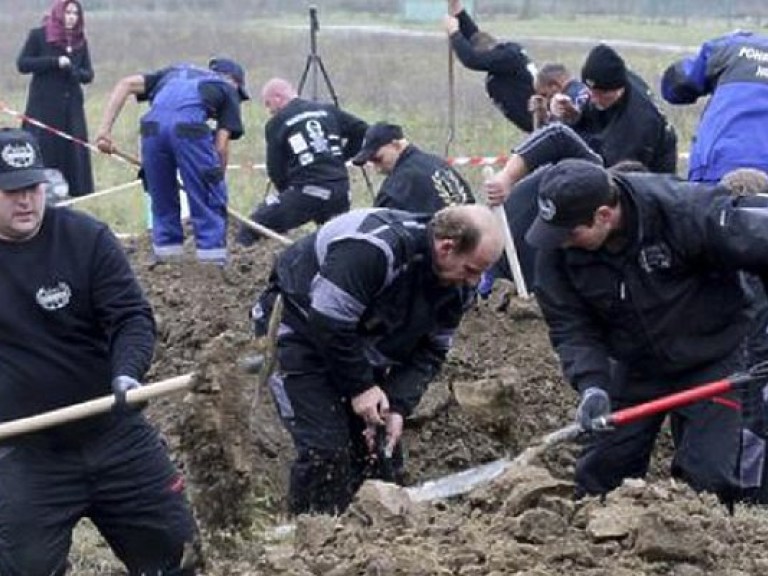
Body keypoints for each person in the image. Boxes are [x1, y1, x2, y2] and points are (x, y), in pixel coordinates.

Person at [0, 128, 199, 575]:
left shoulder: (84, 238)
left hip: (115, 435)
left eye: (33, 187)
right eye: (11, 191)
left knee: (180, 557)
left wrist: (128, 372)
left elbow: (130, 317)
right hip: (26, 453)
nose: (27, 201)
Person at [526, 157, 768, 505]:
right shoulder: (557, 247)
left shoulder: (682, 210)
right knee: (601, 476)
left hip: (712, 357)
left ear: (604, 216)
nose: (562, 242)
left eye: (571, 233)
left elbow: (760, 243)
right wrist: (592, 384)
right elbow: (570, 325)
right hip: (634, 363)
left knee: (707, 480)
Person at [252, 204, 504, 514]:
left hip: (357, 339)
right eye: (471, 269)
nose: (473, 282)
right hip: (300, 325)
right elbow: (328, 321)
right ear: (447, 247)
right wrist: (361, 388)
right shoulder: (375, 248)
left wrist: (398, 405)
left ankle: (371, 540)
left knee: (380, 452)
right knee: (326, 452)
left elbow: (430, 352)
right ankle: (307, 537)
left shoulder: (459, 289)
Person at [95, 57, 248, 266]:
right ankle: (213, 269)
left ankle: (167, 263)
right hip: (189, 130)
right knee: (208, 201)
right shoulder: (227, 89)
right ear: (235, 82)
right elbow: (221, 146)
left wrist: (104, 132)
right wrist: (214, 180)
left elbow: (126, 84)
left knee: (162, 197)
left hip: (151, 129)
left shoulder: (173, 73)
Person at [236, 78, 368, 247]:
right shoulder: (327, 110)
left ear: (278, 97)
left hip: (308, 191)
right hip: (341, 192)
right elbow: (362, 131)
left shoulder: (277, 122)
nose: (269, 111)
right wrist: (342, 158)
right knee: (333, 242)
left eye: (268, 104)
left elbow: (275, 170)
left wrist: (287, 194)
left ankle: (240, 269)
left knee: (252, 227)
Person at [661, 31, 768, 182]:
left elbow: (678, 84)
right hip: (727, 160)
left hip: (721, 161)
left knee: (709, 203)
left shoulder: (733, 46)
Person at [17, 0, 94, 197]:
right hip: (44, 106)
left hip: (71, 106)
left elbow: (88, 75)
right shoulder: (39, 35)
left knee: (72, 151)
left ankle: (74, 192)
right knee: (45, 148)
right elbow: (23, 64)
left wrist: (73, 71)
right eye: (68, 12)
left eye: (75, 14)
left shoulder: (80, 41)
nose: (71, 17)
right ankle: (41, 192)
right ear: (59, 13)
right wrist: (54, 62)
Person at [574, 43, 678, 174]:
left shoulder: (639, 120)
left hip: (650, 176)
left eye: (601, 94)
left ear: (618, 89)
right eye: (591, 91)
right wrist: (573, 119)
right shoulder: (610, 80)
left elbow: (610, 170)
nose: (594, 99)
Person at [443, 0, 536, 133]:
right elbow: (473, 36)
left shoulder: (510, 57)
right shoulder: (503, 57)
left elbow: (472, 59)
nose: (485, 63)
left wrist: (454, 33)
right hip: (535, 127)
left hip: (542, 124)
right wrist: (455, 7)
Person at [351, 121, 474, 212]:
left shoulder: (400, 183)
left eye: (378, 159)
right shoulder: (439, 164)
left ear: (395, 145)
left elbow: (381, 229)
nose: (378, 169)